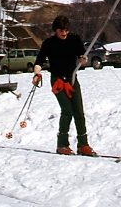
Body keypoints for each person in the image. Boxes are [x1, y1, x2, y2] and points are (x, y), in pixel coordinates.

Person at [33, 15, 96, 156]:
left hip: (72, 79)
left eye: (66, 30)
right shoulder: (49, 43)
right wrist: (37, 74)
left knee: (79, 111)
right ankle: (62, 144)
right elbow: (39, 61)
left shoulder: (74, 39)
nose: (64, 33)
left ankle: (83, 144)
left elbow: (81, 55)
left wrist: (82, 58)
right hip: (58, 81)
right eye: (61, 30)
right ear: (56, 29)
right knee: (67, 110)